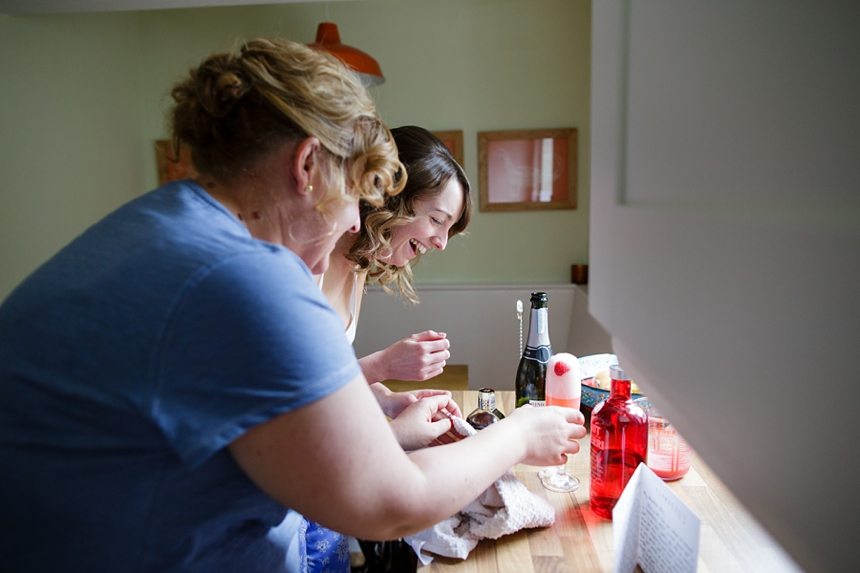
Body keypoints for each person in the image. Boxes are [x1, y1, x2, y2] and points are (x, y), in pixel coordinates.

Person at [0, 38, 586, 573]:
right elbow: (390, 502)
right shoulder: (242, 277)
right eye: (356, 194)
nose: (358, 221)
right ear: (308, 166)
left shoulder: (149, 226)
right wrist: (520, 432)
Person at [301, 126, 472, 572]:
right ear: (392, 197)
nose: (440, 242)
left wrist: (390, 400)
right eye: (437, 220)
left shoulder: (357, 264)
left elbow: (332, 372)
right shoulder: (310, 262)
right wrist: (384, 364)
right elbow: (299, 394)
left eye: (448, 230)